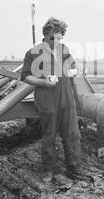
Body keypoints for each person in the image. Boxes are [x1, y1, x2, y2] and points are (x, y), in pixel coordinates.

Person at [21, 17, 82, 182]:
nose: (55, 41)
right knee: (49, 137)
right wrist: (43, 82)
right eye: (52, 38)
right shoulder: (33, 53)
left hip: (67, 100)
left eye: (59, 38)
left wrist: (73, 72)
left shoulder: (64, 49)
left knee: (73, 135)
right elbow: (26, 76)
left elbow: (75, 67)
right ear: (45, 35)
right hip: (48, 101)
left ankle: (74, 169)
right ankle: (49, 170)